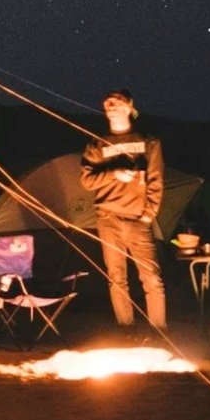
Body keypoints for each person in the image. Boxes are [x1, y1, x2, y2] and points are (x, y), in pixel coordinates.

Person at [80, 88, 166, 332]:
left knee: (152, 278)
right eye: (108, 102)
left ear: (129, 107)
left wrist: (148, 215)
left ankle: (159, 332)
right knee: (117, 278)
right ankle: (127, 331)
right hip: (108, 218)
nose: (111, 105)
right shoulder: (97, 144)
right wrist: (113, 173)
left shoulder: (148, 142)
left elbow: (156, 180)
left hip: (138, 219)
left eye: (117, 101)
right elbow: (87, 181)